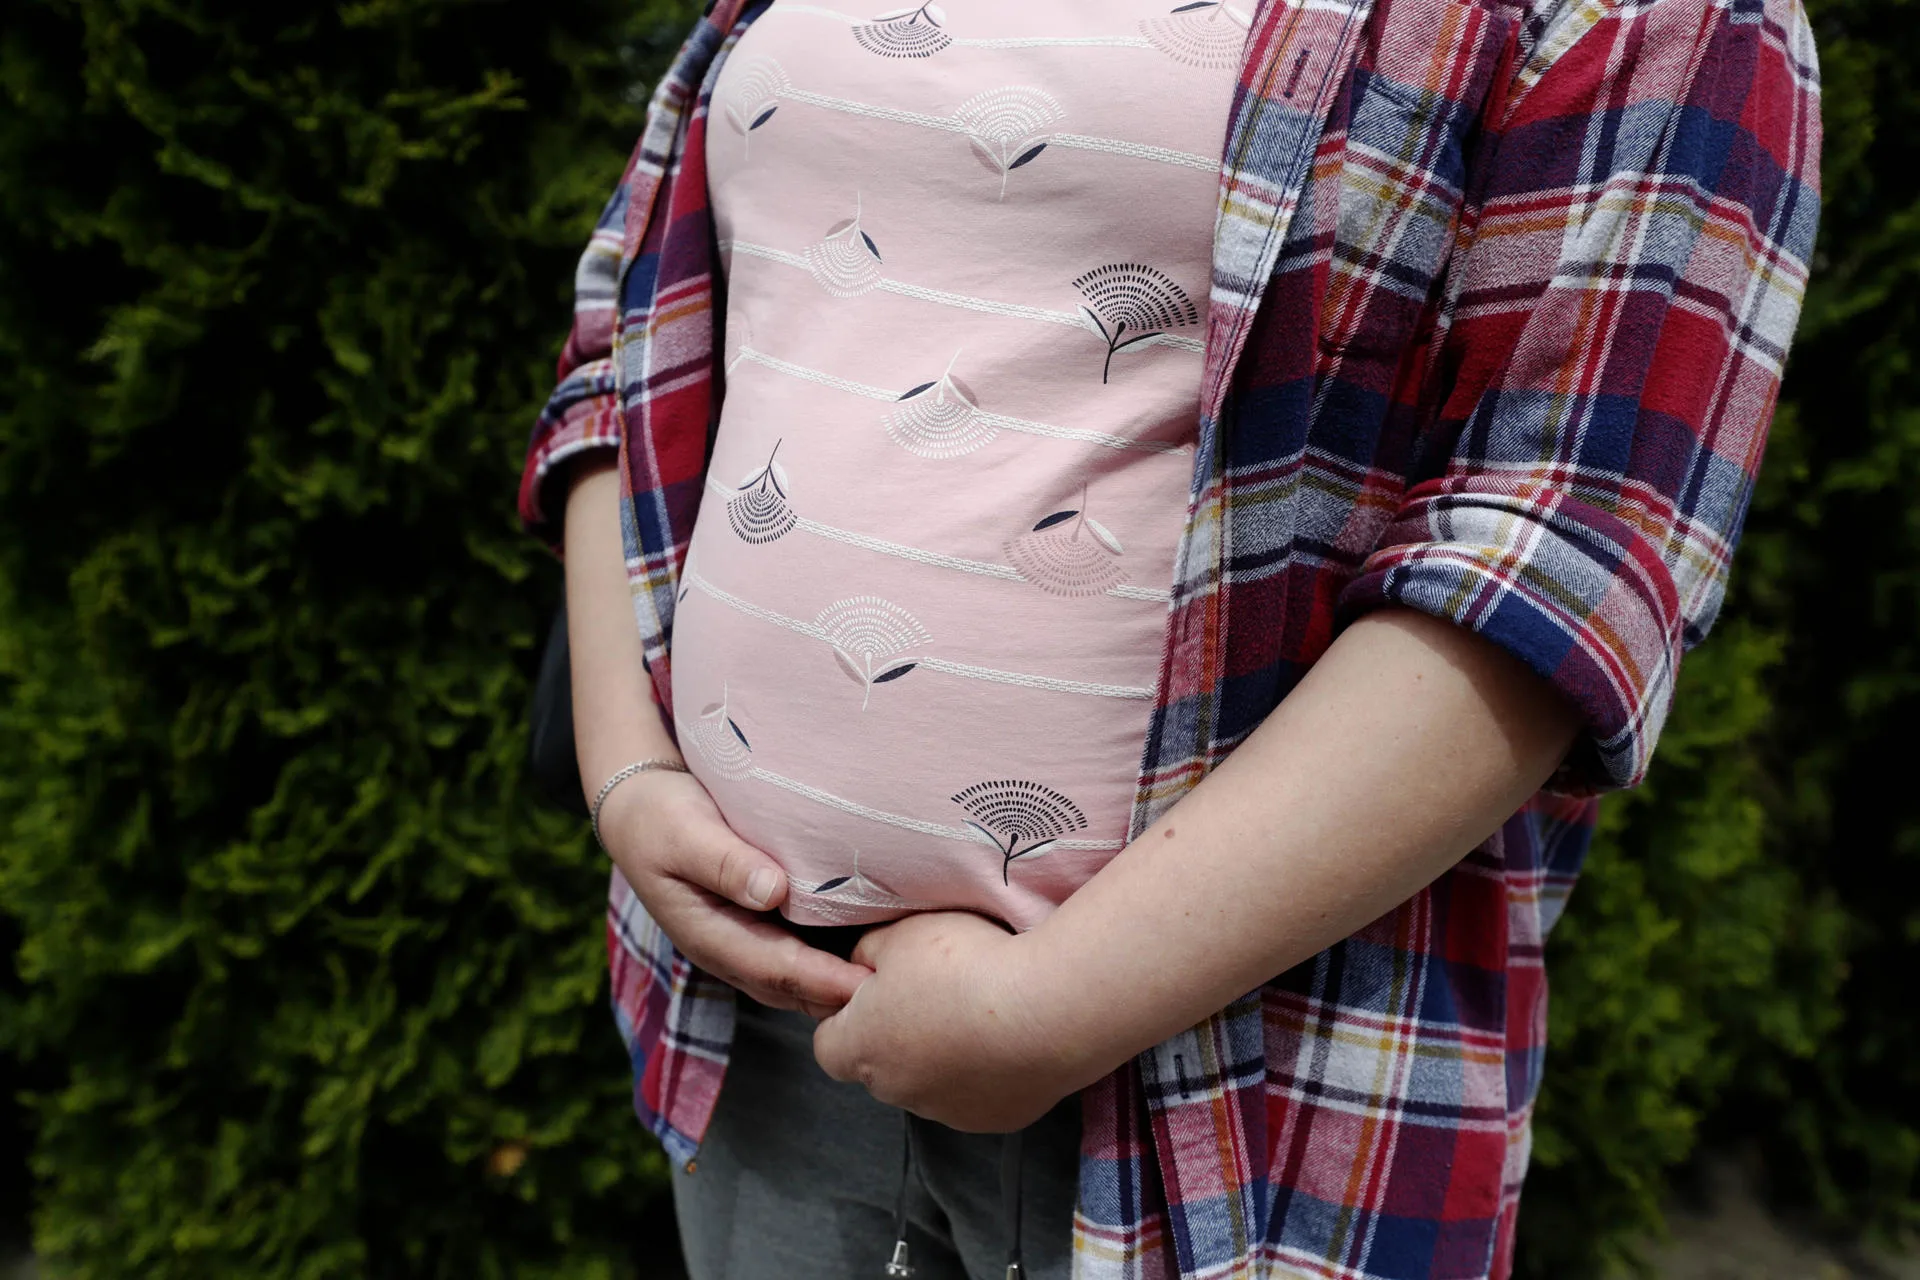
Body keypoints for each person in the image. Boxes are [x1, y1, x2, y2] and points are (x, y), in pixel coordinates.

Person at [518, 0, 1821, 1273]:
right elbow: (623, 333)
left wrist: (1046, 1012)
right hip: (745, 1024)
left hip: (1204, 1098)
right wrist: (627, 776)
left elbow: (1551, 558)